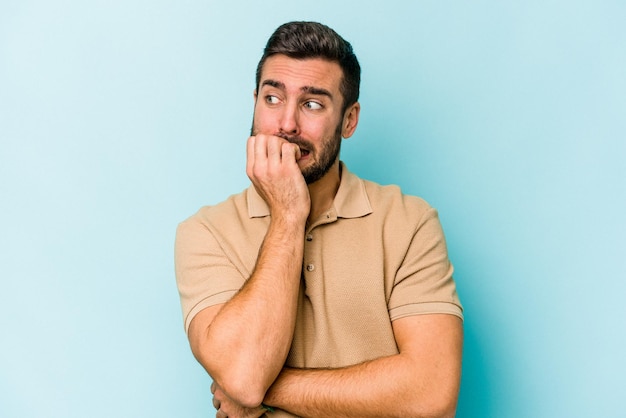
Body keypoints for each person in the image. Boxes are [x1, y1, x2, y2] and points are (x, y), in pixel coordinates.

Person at [175, 21, 463, 418]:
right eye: (273, 98)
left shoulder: (409, 222)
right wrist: (288, 215)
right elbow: (242, 376)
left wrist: (269, 389)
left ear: (349, 120)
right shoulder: (205, 233)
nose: (287, 124)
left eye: (312, 104)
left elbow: (431, 394)